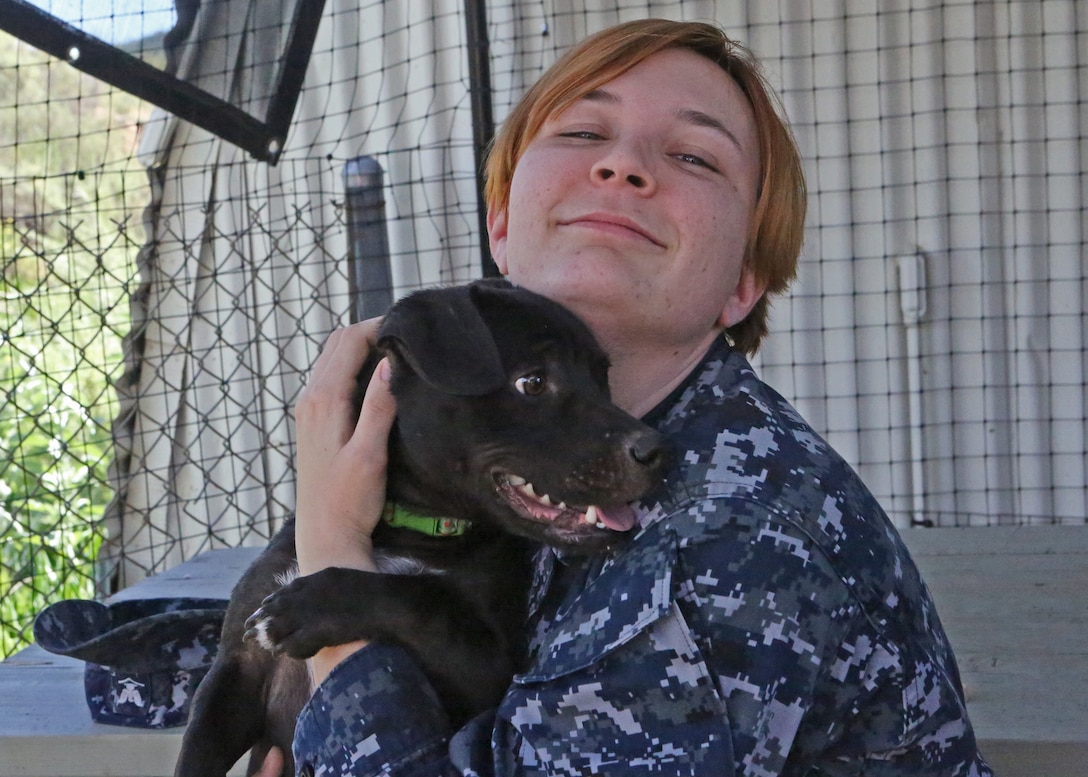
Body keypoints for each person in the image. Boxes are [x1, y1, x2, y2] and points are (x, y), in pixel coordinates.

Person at [280, 18, 994, 777]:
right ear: (501, 222)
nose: (623, 165)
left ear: (743, 284)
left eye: (693, 155)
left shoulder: (723, 541)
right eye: (585, 132)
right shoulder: (557, 464)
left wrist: (331, 569)